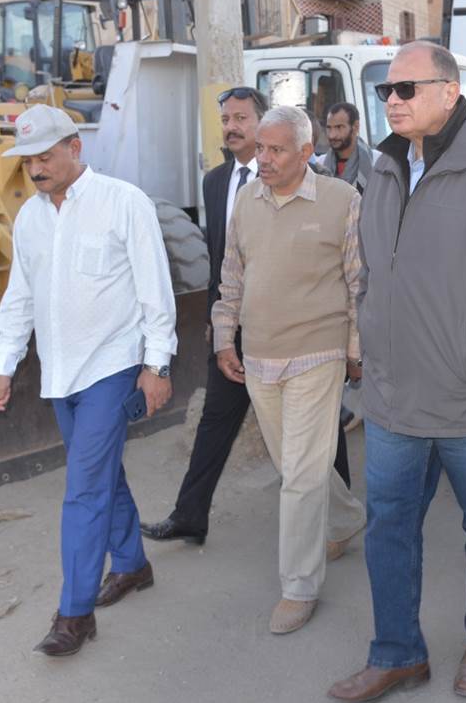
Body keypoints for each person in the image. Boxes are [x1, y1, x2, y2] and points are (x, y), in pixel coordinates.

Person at [326, 42, 466, 702]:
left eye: (407, 88)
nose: (392, 101)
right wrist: (371, 337)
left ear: (450, 92)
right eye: (386, 91)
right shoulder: (387, 165)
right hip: (392, 396)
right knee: (389, 528)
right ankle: (397, 652)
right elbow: (371, 267)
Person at [0, 104, 177, 657]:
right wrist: (3, 365)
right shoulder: (30, 217)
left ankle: (74, 613)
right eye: (27, 161)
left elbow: (155, 291)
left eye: (45, 157)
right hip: (59, 373)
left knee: (84, 489)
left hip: (111, 368)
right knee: (102, 473)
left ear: (75, 147)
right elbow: (20, 297)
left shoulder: (124, 203)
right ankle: (132, 564)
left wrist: (157, 366)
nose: (36, 170)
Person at [142, 87, 350, 546]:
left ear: (264, 122)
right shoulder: (216, 182)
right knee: (216, 420)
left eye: (241, 118)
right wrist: (219, 328)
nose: (231, 127)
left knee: (319, 433)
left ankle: (335, 523)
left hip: (306, 338)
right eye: (225, 119)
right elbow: (224, 261)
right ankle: (189, 515)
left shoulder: (310, 181)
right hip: (236, 329)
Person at [210, 105, 367, 635]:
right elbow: (231, 275)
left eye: (276, 150)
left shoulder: (342, 200)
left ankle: (299, 586)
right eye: (260, 148)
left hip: (317, 352)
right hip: (259, 355)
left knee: (299, 475)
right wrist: (223, 337)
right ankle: (346, 518)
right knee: (295, 464)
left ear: (305, 152)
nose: (264, 158)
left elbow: (357, 282)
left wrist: (355, 350)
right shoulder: (246, 202)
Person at [324, 102, 375, 193]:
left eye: (339, 127)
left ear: (355, 127)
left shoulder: (376, 162)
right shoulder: (321, 164)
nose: (332, 135)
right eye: (329, 128)